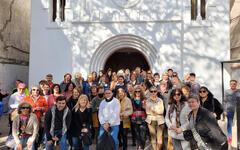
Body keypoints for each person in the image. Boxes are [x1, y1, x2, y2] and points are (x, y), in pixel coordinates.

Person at [145, 86, 165, 150]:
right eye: (151, 91)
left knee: (159, 137)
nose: (153, 93)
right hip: (151, 120)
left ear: (157, 92)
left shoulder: (160, 100)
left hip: (160, 120)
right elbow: (147, 111)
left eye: (154, 91)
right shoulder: (147, 101)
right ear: (149, 92)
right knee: (153, 137)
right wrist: (156, 111)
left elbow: (161, 111)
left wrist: (153, 110)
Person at [223, 79, 240, 144]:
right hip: (229, 111)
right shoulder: (227, 91)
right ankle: (230, 137)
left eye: (234, 84)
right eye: (231, 84)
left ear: (236, 84)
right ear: (230, 84)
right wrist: (224, 110)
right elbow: (224, 101)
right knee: (230, 125)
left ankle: (238, 138)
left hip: (238, 111)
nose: (232, 85)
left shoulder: (239, 91)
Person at [131, 85, 147, 150]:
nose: (137, 92)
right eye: (136, 91)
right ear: (134, 92)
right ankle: (139, 146)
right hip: (135, 119)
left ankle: (141, 148)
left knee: (142, 136)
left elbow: (147, 109)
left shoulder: (145, 99)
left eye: (139, 91)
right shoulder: (132, 100)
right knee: (137, 135)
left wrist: (145, 107)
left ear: (141, 92)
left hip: (143, 119)